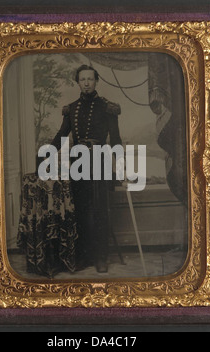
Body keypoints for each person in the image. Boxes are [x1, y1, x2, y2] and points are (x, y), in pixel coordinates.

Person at [50, 64, 122, 273]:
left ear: (96, 81)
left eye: (90, 79)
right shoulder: (71, 109)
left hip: (100, 161)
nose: (87, 83)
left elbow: (116, 140)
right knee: (81, 211)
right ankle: (84, 256)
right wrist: (46, 156)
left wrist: (119, 166)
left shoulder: (107, 107)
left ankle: (101, 257)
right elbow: (61, 136)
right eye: (83, 79)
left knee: (100, 211)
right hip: (78, 164)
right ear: (78, 82)